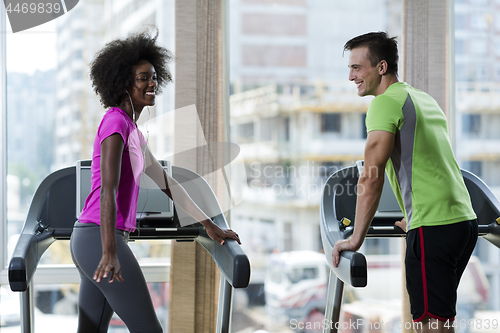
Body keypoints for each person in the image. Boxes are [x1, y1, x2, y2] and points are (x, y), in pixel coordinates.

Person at [70, 31, 241, 333]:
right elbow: (107, 190)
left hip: (93, 239)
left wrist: (209, 225)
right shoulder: (114, 123)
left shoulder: (132, 130)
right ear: (124, 82)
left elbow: (169, 184)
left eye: (154, 77)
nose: (153, 84)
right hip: (99, 239)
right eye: (143, 78)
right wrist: (109, 251)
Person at [331, 32, 478, 333]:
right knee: (441, 320)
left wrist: (355, 238)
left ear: (381, 67)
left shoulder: (384, 104)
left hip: (434, 228)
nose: (351, 76)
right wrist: (413, 218)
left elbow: (371, 177)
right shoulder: (422, 99)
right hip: (463, 223)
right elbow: (431, 164)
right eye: (349, 68)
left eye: (357, 68)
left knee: (430, 327)